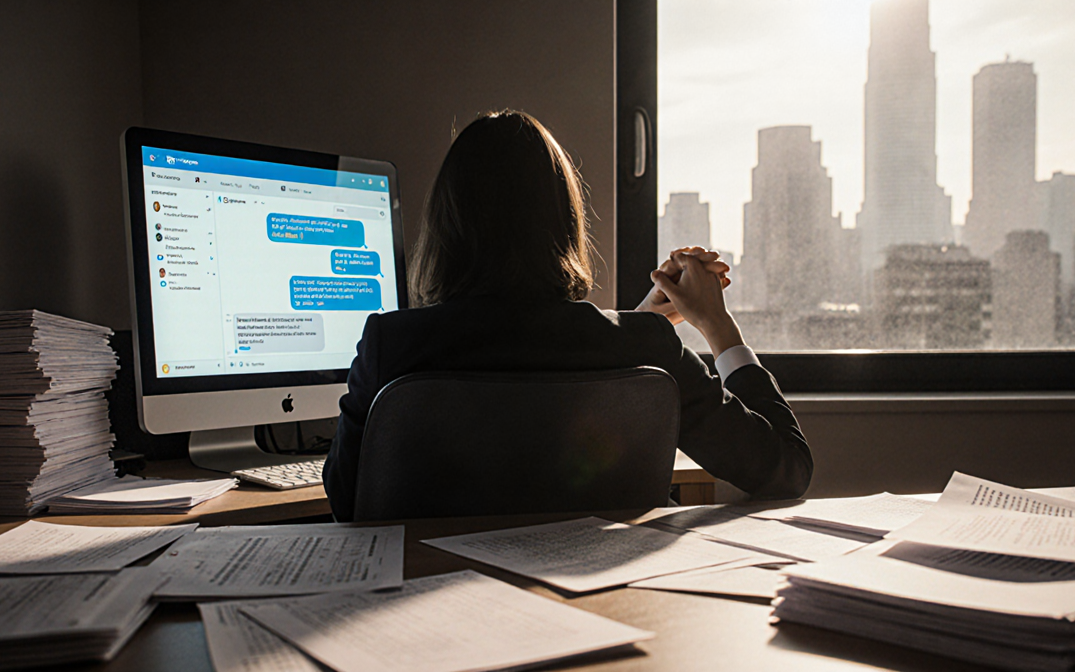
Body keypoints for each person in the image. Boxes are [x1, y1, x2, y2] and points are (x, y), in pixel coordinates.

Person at [323, 110, 812, 521]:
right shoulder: (647, 347)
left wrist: (635, 330)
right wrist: (715, 327)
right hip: (600, 608)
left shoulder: (392, 342)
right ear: (566, 224)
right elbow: (785, 470)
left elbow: (346, 502)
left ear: (446, 227)